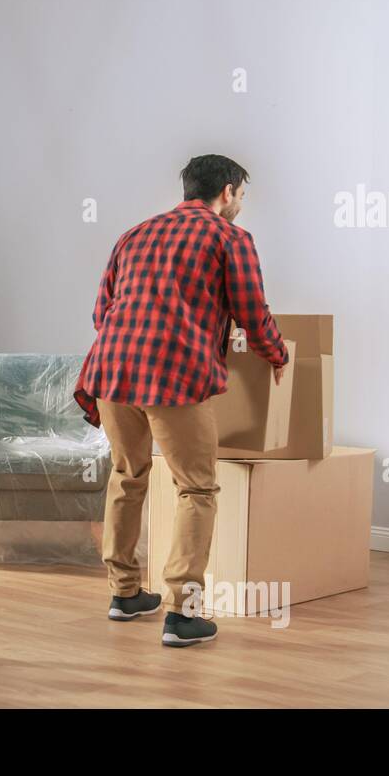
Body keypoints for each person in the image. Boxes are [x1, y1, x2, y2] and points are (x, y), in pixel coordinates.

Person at [72, 154, 290, 647]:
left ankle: (124, 593)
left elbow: (101, 310)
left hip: (110, 368)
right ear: (228, 192)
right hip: (171, 371)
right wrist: (276, 354)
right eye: (241, 197)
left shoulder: (134, 233)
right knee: (196, 488)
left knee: (128, 476)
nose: (240, 206)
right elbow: (253, 312)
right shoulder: (229, 238)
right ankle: (183, 613)